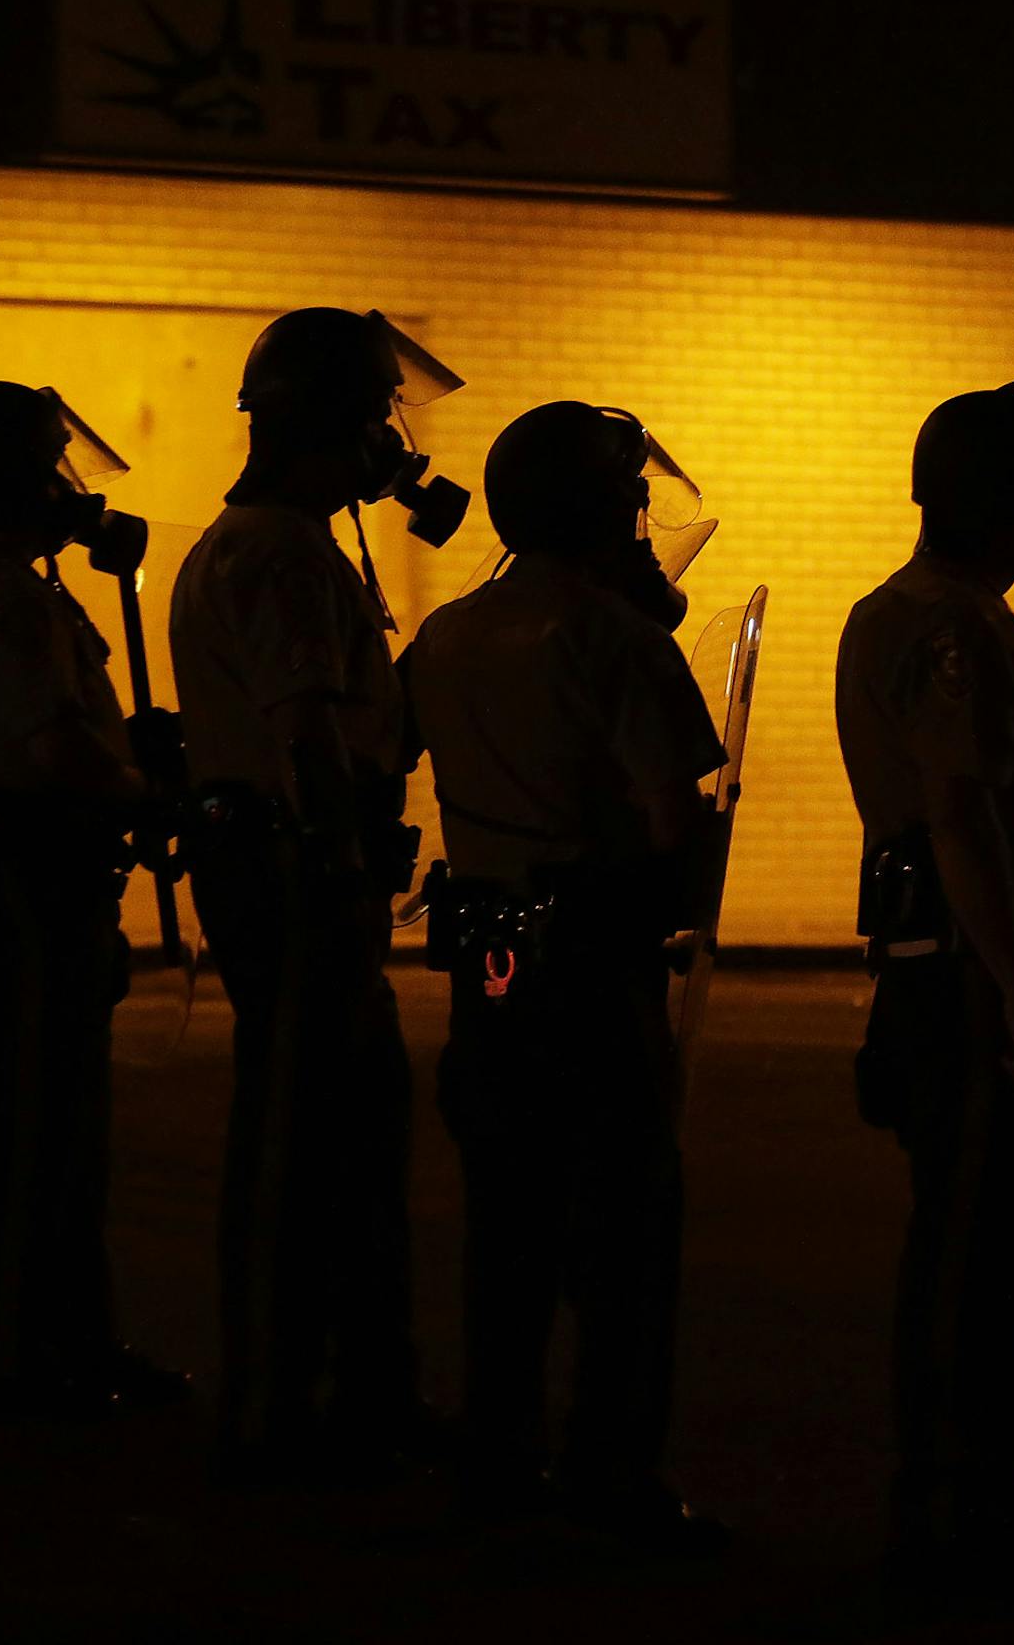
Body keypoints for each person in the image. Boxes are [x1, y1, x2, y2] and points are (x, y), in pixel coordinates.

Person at [407, 400, 729, 1552]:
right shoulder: (618, 639)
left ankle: (497, 1454)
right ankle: (611, 1473)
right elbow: (664, 817)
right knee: (624, 1226)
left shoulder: (448, 632)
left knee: (507, 1217)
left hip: (487, 956)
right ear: (606, 507)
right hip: (593, 958)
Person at [834, 383, 1014, 1601]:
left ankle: (982, 1487)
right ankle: (949, 1516)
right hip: (965, 965)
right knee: (972, 1248)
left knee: (992, 1239)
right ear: (1006, 502)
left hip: (945, 956)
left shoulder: (905, 610)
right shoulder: (957, 627)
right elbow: (962, 815)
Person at [169, 308, 459, 1479]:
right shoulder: (283, 549)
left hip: (274, 863)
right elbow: (305, 728)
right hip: (295, 872)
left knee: (327, 1126)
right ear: (344, 421)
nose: (394, 441)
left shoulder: (257, 541)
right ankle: (298, 1403)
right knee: (315, 1136)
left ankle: (319, 1389)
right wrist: (348, 852)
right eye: (383, 414)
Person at [0, 380, 185, 1416]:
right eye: (50, 466)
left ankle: (49, 1343)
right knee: (42, 1126)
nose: (69, 489)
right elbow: (55, 748)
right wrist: (149, 788)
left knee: (43, 1117)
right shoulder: (8, 594)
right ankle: (24, 1359)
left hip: (0, 859)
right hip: (22, 868)